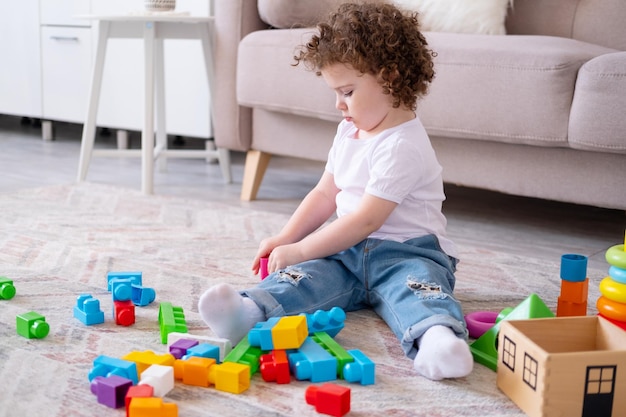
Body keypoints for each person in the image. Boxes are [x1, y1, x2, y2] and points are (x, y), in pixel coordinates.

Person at [198, 2, 473, 381]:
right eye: (335, 92)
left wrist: (300, 249)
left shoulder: (403, 144)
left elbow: (366, 220)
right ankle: (248, 312)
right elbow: (325, 193)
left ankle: (437, 339)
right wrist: (286, 238)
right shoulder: (350, 130)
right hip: (347, 253)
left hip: (407, 251)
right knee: (306, 278)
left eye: (347, 91)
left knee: (418, 291)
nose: (338, 104)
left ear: (390, 77)